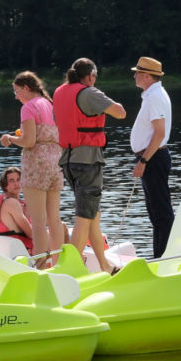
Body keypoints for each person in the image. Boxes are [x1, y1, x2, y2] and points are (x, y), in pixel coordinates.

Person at [55, 58, 127, 268]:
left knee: (93, 214)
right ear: (90, 75)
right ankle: (71, 270)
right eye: (95, 76)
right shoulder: (88, 93)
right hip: (88, 161)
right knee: (84, 216)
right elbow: (120, 112)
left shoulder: (60, 92)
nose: (95, 80)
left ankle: (105, 266)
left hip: (68, 161)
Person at [0, 71, 65, 268]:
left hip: (36, 166)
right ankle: (59, 263)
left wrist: (10, 139)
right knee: (54, 220)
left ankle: (41, 265)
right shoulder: (51, 104)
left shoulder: (29, 107)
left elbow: (29, 141)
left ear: (27, 88)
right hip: (56, 162)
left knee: (38, 221)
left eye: (17, 91)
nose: (16, 96)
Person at [129, 56, 174, 257]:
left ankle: (164, 256)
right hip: (153, 157)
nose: (134, 76)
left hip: (153, 158)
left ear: (146, 76)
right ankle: (160, 256)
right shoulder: (153, 94)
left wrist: (143, 160)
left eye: (137, 72)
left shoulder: (155, 97)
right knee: (156, 212)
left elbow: (159, 133)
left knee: (161, 212)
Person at [0, 167, 35, 253]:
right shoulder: (11, 203)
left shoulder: (1, 201)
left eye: (18, 180)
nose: (16, 183)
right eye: (11, 181)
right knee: (60, 229)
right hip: (18, 248)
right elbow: (31, 234)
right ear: (4, 185)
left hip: (4, 245)